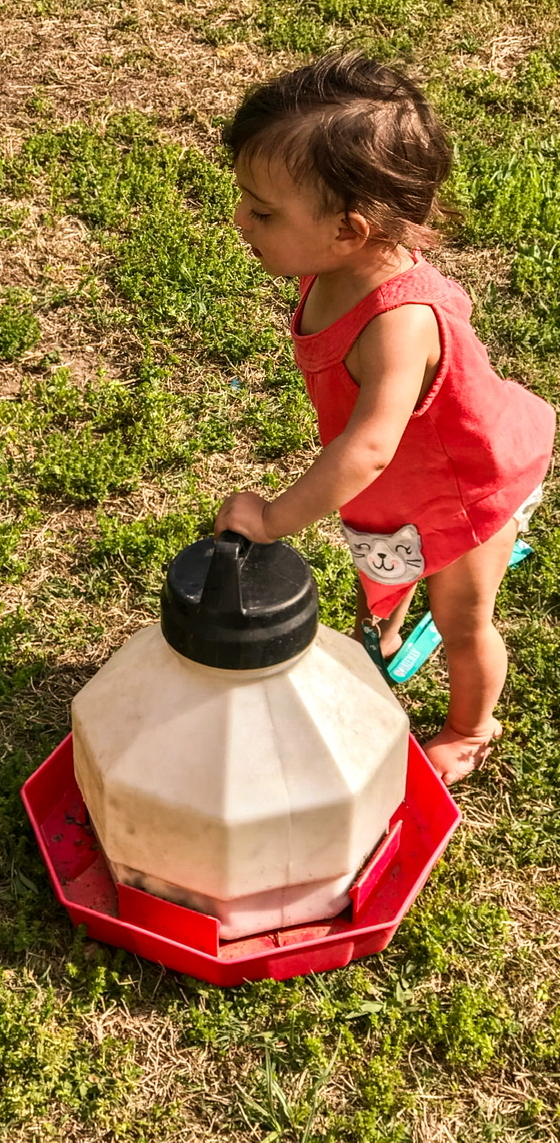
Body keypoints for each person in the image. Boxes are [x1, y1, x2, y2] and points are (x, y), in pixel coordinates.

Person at [214, 52, 555, 786]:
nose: (239, 217)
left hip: (463, 491)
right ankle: (388, 625)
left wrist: (272, 519)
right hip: (401, 486)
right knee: (385, 557)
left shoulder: (397, 325)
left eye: (262, 211)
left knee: (463, 621)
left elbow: (367, 449)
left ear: (350, 230)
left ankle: (470, 727)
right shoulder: (332, 263)